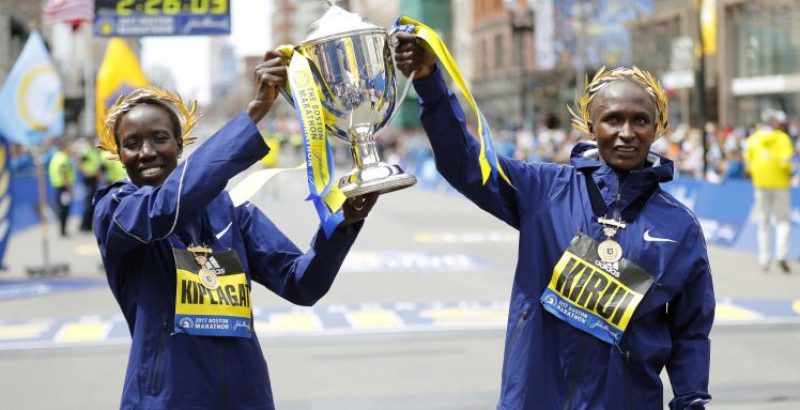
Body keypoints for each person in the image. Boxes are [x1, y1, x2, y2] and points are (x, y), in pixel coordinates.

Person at [394, 34, 714, 410]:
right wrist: (429, 80)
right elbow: (463, 163)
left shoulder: (680, 226)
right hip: (534, 396)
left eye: (640, 120)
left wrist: (690, 399)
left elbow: (690, 329)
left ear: (657, 126)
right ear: (591, 126)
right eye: (613, 119)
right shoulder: (542, 188)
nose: (627, 133)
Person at [92, 51, 378, 410]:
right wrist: (252, 114)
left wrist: (342, 225)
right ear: (119, 154)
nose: (146, 152)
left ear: (180, 145)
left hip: (246, 395)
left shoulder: (233, 212)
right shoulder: (116, 209)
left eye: (160, 138)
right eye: (132, 144)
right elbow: (165, 209)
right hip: (166, 398)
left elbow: (301, 283)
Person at [744, 109, 793, 273]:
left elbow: (748, 166)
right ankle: (781, 255)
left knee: (763, 222)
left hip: (760, 185)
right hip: (780, 184)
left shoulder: (753, 139)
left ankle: (764, 259)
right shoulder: (783, 139)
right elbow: (786, 163)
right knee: (782, 221)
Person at [48, 138, 76, 237]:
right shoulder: (64, 158)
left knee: (62, 208)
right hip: (64, 188)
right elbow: (64, 173)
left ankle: (62, 230)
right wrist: (69, 188)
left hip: (58, 187)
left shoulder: (55, 157)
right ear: (64, 147)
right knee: (65, 209)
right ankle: (63, 231)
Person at [77, 140, 103, 232]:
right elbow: (79, 161)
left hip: (94, 178)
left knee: (92, 202)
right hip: (88, 179)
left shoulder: (95, 152)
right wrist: (85, 172)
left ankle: (88, 226)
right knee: (88, 203)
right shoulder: (86, 151)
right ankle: (83, 226)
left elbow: (97, 166)